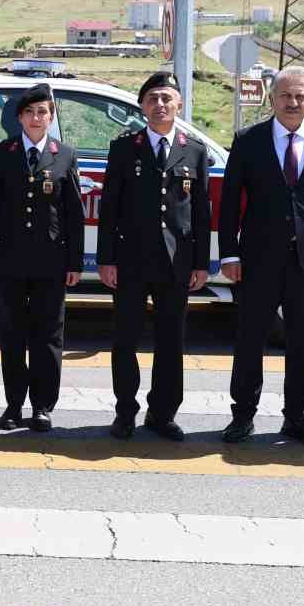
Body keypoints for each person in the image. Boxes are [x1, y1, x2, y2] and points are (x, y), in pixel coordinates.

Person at [219, 66, 304, 448]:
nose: (293, 103)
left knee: (302, 343)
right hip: (258, 259)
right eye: (285, 96)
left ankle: (298, 418)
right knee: (249, 340)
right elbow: (229, 202)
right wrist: (229, 252)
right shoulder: (248, 140)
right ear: (271, 99)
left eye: (300, 96)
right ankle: (242, 416)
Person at [96, 71, 211, 441]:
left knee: (170, 341)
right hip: (130, 260)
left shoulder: (194, 150)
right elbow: (109, 209)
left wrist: (200, 263)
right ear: (142, 107)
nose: (160, 105)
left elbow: (200, 214)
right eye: (152, 99)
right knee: (125, 339)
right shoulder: (123, 147)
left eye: (166, 98)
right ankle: (125, 412)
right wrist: (106, 259)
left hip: (176, 263)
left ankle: (162, 413)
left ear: (179, 104)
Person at [0, 82, 83, 432]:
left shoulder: (65, 154)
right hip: (9, 260)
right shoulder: (3, 152)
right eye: (31, 112)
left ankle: (42, 406)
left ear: (51, 118)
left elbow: (73, 214)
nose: (37, 118)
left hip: (51, 261)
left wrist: (75, 263)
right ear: (19, 117)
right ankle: (13, 405)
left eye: (44, 112)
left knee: (48, 336)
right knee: (12, 334)